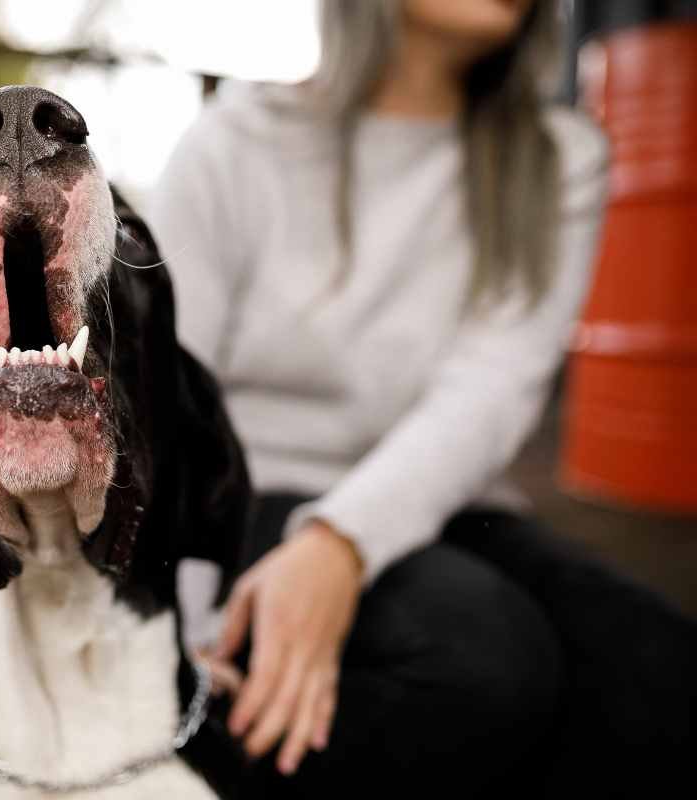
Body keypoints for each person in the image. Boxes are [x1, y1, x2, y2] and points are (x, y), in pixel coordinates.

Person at [151, 0, 609, 790]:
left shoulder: (561, 158)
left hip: (439, 500)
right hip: (240, 497)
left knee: (652, 666)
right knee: (482, 661)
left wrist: (342, 540)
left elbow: (490, 391)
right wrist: (176, 635)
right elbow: (165, 397)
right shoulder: (236, 141)